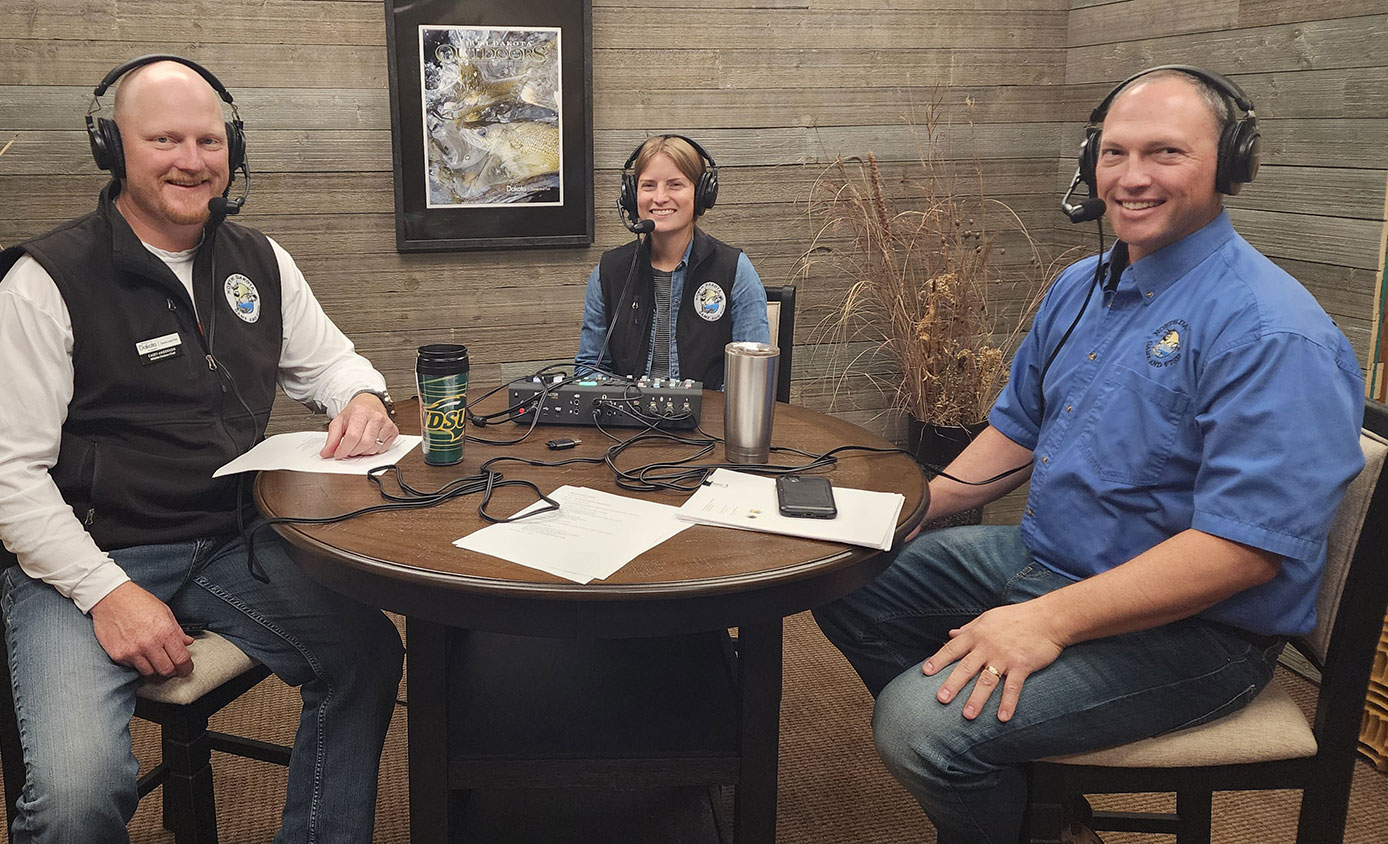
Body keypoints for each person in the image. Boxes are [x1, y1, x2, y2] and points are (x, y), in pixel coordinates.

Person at [813, 67, 1366, 844]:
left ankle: (1004, 790)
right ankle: (1029, 792)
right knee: (846, 574)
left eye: (1165, 153)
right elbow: (1016, 432)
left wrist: (1047, 622)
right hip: (1050, 558)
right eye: (1114, 154)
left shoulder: (1272, 333)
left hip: (1199, 630)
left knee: (920, 727)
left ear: (1229, 164)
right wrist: (905, 513)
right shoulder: (1081, 287)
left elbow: (1245, 551)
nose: (1132, 178)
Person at [0, 56, 404, 844]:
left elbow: (333, 363)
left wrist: (361, 397)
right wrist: (109, 592)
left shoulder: (259, 262)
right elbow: (1, 478)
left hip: (231, 538)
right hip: (83, 562)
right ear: (112, 146)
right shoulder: (44, 281)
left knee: (365, 652)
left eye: (208, 139)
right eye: (164, 138)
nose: (191, 160)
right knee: (76, 797)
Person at [574, 134, 770, 389]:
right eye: (648, 185)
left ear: (701, 194)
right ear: (632, 196)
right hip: (627, 424)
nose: (660, 197)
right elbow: (589, 369)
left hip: (709, 425)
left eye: (675, 184)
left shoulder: (735, 270)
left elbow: (753, 376)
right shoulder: (609, 272)